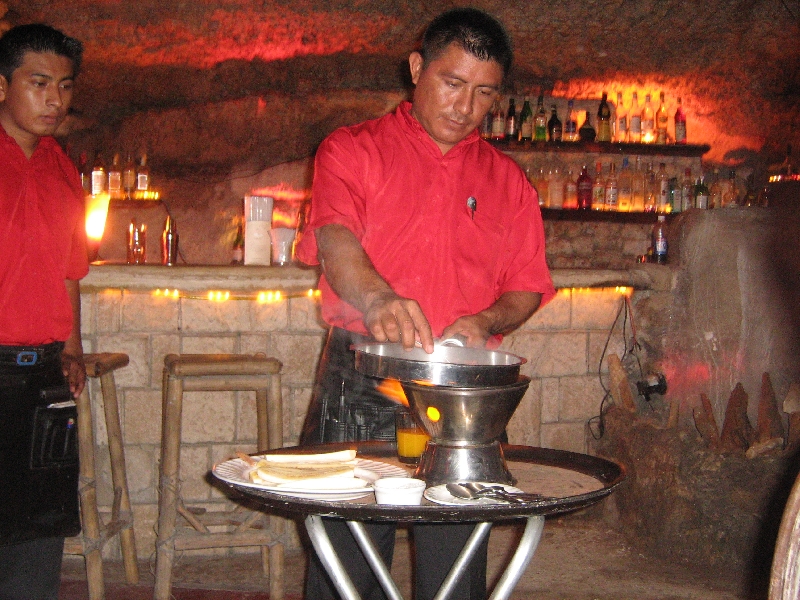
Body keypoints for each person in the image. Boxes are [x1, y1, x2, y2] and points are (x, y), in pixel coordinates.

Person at [295, 7, 555, 600]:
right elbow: (335, 238)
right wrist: (377, 296)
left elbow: (526, 286)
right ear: (416, 68)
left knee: (455, 567)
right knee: (347, 566)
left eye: (484, 94)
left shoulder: (509, 183)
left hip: (460, 390)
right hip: (364, 373)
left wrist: (487, 320)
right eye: (452, 83)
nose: (464, 108)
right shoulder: (351, 150)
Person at [0, 23, 88, 600]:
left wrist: (74, 350)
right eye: (38, 83)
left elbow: (69, 272)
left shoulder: (62, 168)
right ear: (2, 85)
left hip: (44, 373)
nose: (54, 99)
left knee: (39, 532)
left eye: (64, 85)